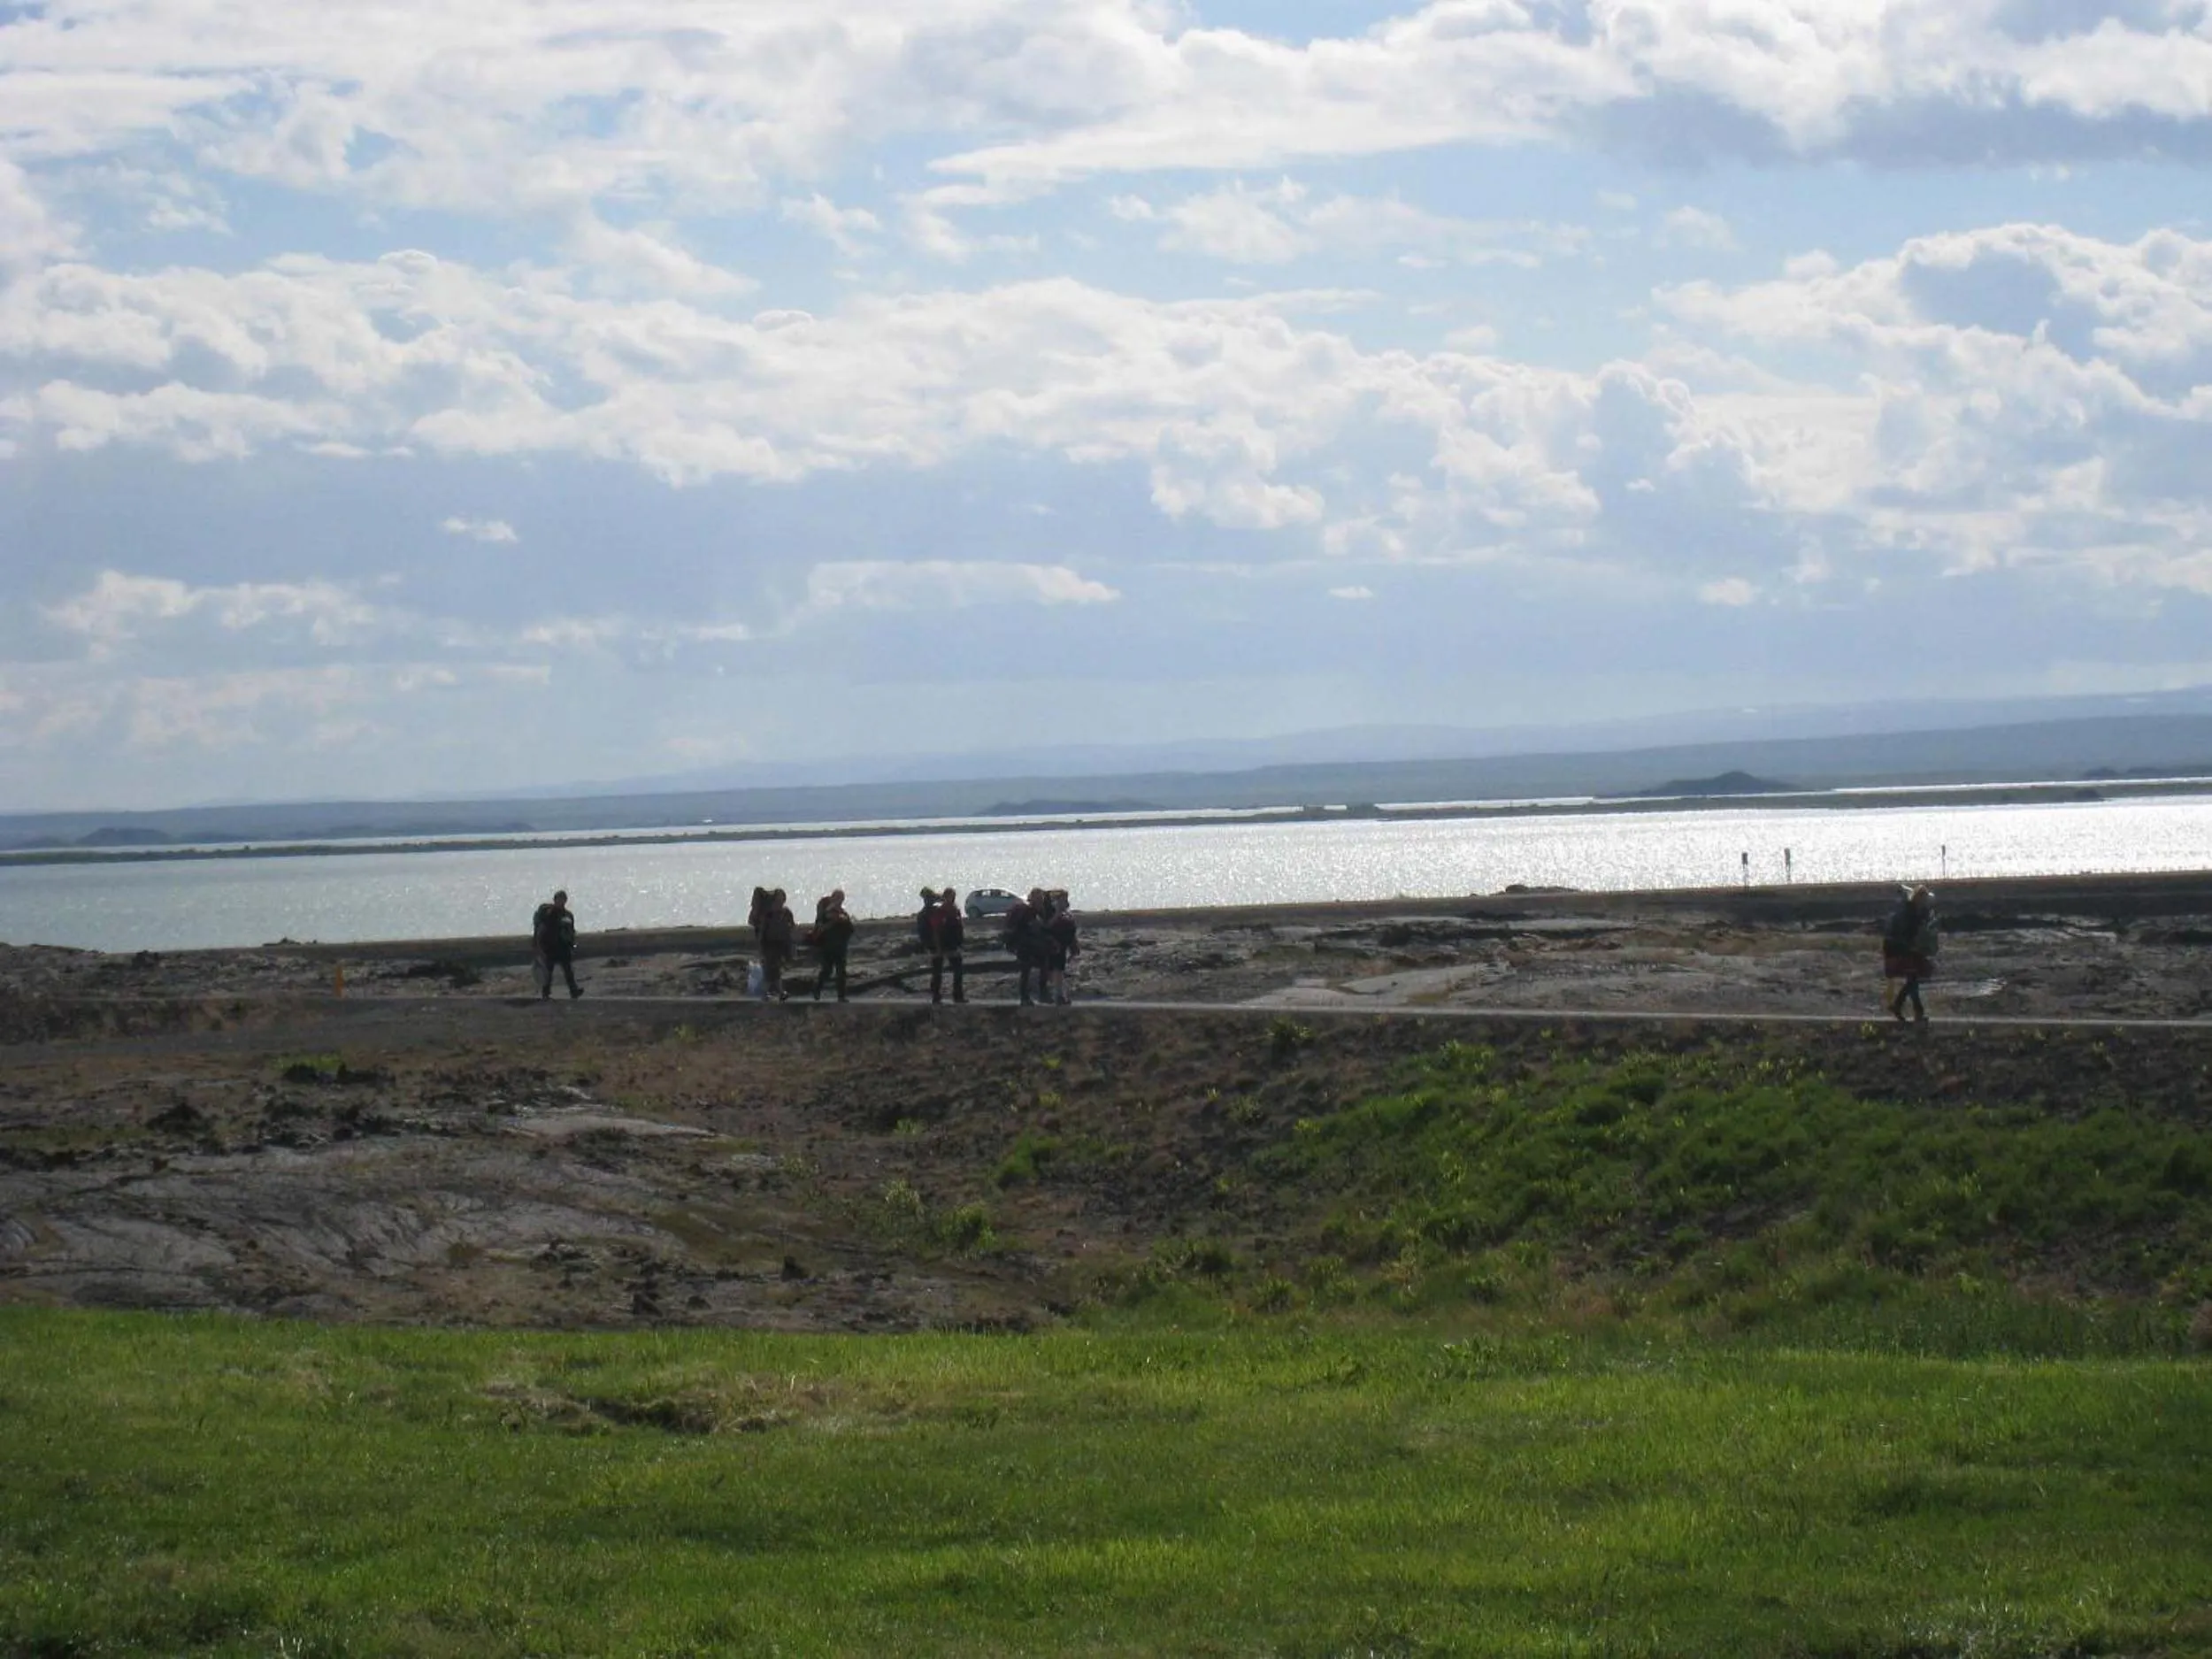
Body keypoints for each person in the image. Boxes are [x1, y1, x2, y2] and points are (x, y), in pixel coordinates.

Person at [1881, 884, 1938, 1024]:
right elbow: (1906, 932)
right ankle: (1909, 1009)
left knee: (1913, 979)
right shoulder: (1910, 913)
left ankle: (1905, 1008)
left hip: (1906, 948)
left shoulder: (1912, 910)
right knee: (1913, 979)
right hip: (1903, 949)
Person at [531, 888, 582, 1001]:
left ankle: (574, 991)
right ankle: (546, 992)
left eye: (563, 899)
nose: (561, 901)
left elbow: (571, 930)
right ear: (555, 900)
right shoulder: (549, 913)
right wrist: (538, 946)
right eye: (559, 899)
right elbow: (541, 929)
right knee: (548, 971)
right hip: (550, 947)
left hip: (563, 947)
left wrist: (572, 943)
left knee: (568, 971)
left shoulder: (568, 915)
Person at [1004, 887, 1052, 1006]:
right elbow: (1023, 928)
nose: (1041, 901)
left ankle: (1042, 994)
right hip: (1024, 946)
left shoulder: (1039, 912)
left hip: (1035, 946)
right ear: (1033, 899)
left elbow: (1042, 928)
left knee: (1044, 966)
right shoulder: (1026, 911)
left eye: (1041, 899)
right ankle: (1025, 997)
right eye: (1039, 899)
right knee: (1026, 971)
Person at [921, 887, 965, 1004]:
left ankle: (957, 995)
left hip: (952, 945)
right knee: (939, 971)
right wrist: (938, 947)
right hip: (943, 944)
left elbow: (959, 928)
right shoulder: (941, 911)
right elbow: (936, 929)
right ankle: (937, 996)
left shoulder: (954, 910)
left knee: (956, 971)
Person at [810, 888, 855, 1002]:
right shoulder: (826, 912)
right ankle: (817, 989)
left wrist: (843, 921)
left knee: (841, 972)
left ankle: (841, 996)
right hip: (828, 947)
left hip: (840, 947)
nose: (840, 901)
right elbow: (823, 925)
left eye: (841, 899)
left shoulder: (843, 913)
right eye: (838, 898)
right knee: (827, 971)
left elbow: (850, 929)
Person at [1042, 890, 1079, 1005]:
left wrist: (1074, 945)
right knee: (1057, 970)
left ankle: (1060, 995)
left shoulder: (1067, 914)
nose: (1066, 902)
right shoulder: (1050, 912)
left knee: (1060, 970)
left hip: (1063, 945)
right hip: (1054, 945)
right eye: (1063, 899)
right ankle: (1058, 995)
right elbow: (1047, 926)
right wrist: (1057, 913)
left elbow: (1072, 930)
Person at [759, 887, 795, 1002]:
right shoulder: (768, 914)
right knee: (772, 969)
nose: (780, 901)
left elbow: (792, 926)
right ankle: (777, 992)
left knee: (774, 970)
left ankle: (773, 992)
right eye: (778, 899)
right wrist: (761, 946)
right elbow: (763, 930)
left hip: (782, 943)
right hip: (770, 944)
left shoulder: (786, 912)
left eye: (782, 899)